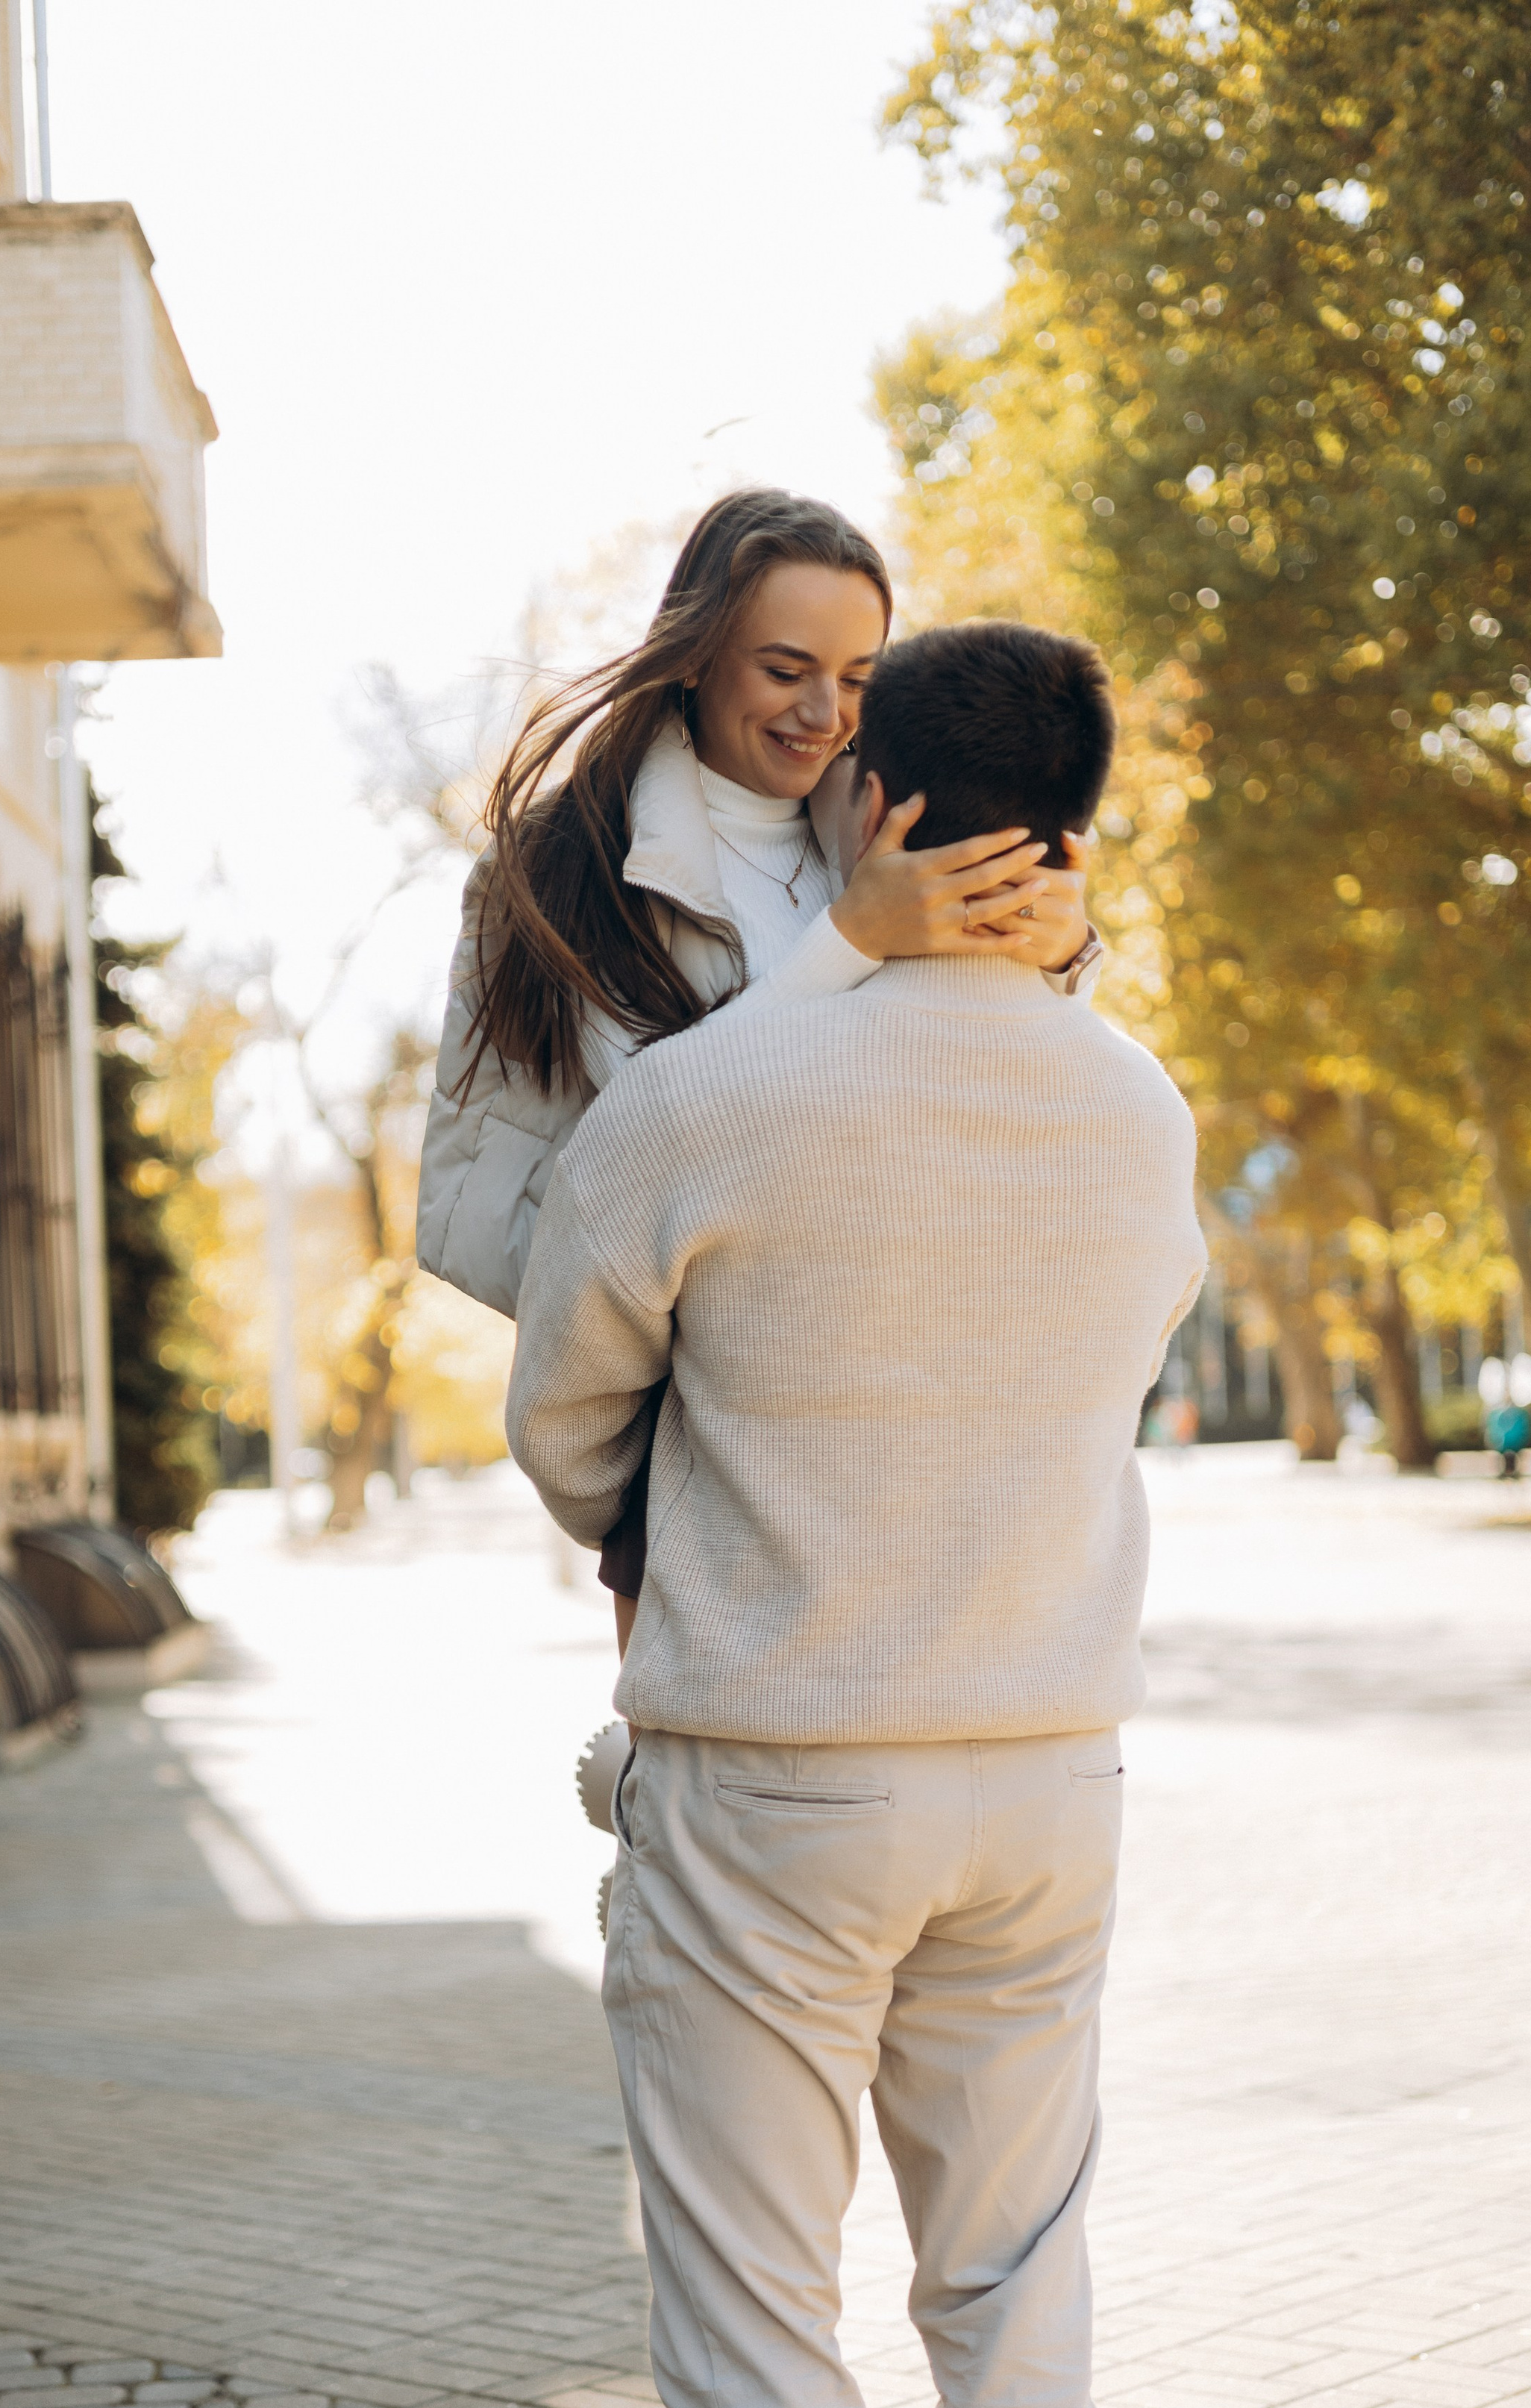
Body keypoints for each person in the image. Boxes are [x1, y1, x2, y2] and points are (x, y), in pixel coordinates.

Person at [506, 618, 1211, 2408]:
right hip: (1042, 1777)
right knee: (1016, 2317)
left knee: (754, 2319)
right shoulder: (1138, 1107)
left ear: (866, 806)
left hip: (768, 1778)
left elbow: (561, 1415)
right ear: (1070, 834)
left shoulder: (706, 1100)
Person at [416, 487, 1105, 1651]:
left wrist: (1065, 952)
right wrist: (853, 944)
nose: (826, 713)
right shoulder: (567, 869)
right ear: (694, 654)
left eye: (859, 676)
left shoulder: (903, 817)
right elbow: (652, 1143)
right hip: (706, 1446)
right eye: (785, 668)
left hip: (914, 1398)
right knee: (712, 1802)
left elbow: (992, 1061)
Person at [1487, 1394, 1531, 1480]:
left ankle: (1511, 1473)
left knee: (1511, 1458)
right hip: (1507, 1443)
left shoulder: (1517, 1414)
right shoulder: (1500, 1413)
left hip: (1512, 1442)